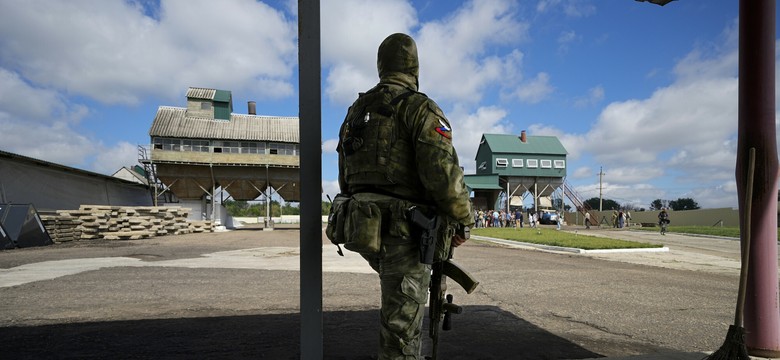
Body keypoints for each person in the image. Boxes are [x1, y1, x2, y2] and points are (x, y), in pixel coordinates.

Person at [336, 33, 475, 360]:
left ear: (381, 65)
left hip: (364, 229)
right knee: (401, 333)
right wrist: (464, 220)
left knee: (398, 312)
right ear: (414, 66)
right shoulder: (420, 108)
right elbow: (442, 175)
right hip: (406, 234)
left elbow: (345, 174)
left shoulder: (356, 112)